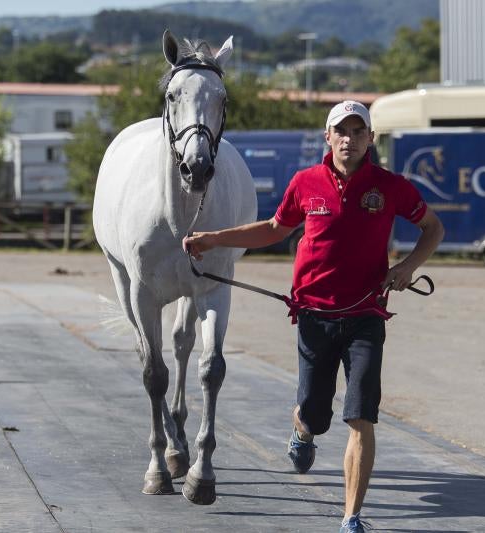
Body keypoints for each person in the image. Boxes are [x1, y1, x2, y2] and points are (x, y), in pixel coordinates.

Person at [183, 100, 444, 532]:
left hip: (365, 316)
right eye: (341, 131)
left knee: (361, 416)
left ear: (370, 139)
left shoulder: (391, 187)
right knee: (316, 415)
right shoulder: (306, 183)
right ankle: (303, 430)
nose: (349, 138)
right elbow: (273, 229)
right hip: (314, 318)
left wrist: (406, 267)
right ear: (328, 137)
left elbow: (433, 228)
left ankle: (351, 518)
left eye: (359, 131)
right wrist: (213, 239)